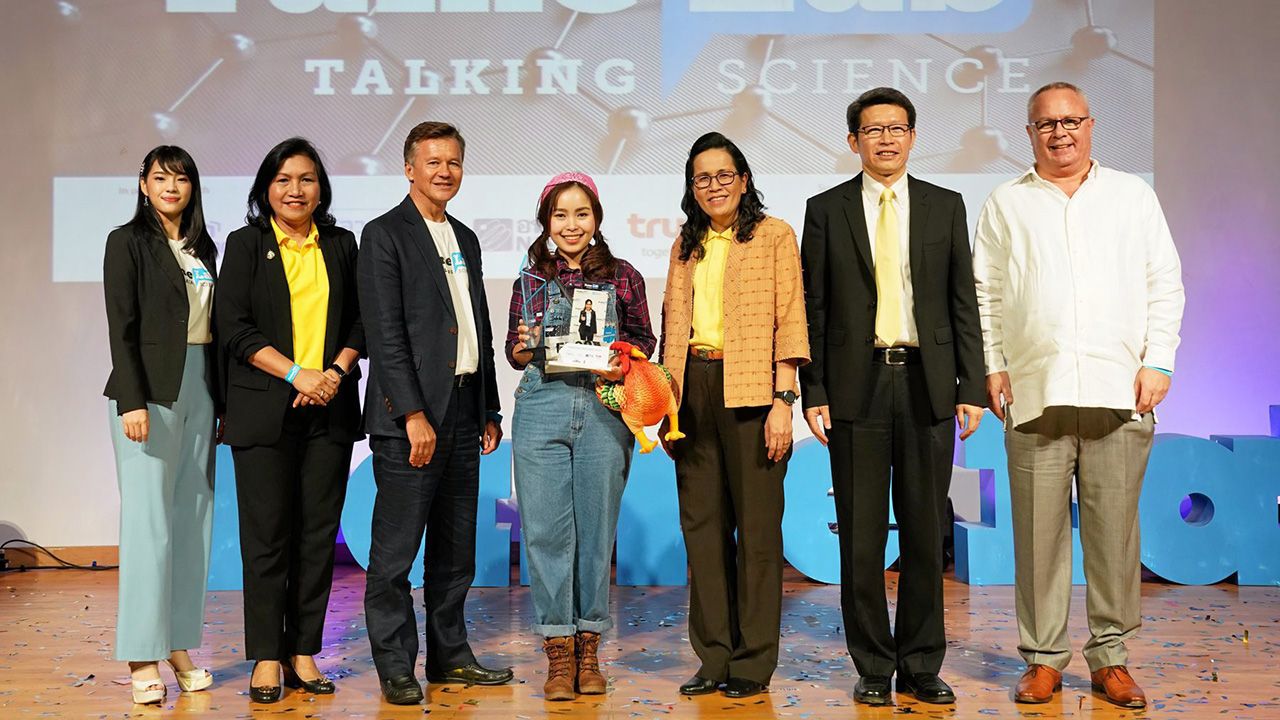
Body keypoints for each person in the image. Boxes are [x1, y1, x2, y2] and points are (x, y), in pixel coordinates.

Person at [972, 82, 1184, 709]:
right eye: (1046, 123)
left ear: (1091, 125)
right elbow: (984, 293)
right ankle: (1042, 659)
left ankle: (1111, 658)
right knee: (1037, 534)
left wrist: (1159, 361)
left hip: (1121, 389)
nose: (1059, 132)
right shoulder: (1006, 202)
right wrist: (993, 364)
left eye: (1070, 121)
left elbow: (1163, 283)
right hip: (1034, 389)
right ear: (1029, 131)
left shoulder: (1131, 195)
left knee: (1114, 532)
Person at [798, 87, 986, 706]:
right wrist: (814, 388)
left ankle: (923, 662)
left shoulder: (944, 205)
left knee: (927, 530)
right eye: (873, 130)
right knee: (860, 533)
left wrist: (972, 386)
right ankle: (874, 664)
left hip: (928, 381)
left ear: (911, 136)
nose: (886, 139)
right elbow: (816, 307)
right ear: (853, 140)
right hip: (857, 385)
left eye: (898, 128)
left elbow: (964, 302)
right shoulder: (825, 209)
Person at [357, 121, 511, 706]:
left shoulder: (465, 236)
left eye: (454, 162)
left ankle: (450, 657)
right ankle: (397, 665)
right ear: (409, 168)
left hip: (464, 411)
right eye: (433, 161)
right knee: (394, 554)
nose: (445, 171)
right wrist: (412, 414)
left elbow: (478, 326)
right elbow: (386, 335)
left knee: (456, 549)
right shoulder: (384, 235)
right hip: (410, 422)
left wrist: (488, 406)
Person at [659, 132, 809, 700]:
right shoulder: (684, 244)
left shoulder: (775, 236)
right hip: (691, 391)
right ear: (691, 188)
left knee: (760, 534)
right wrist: (663, 402)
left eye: (724, 175)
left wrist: (783, 402)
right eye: (702, 178)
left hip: (753, 390)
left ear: (743, 180)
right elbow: (674, 327)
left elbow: (792, 319)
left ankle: (752, 660)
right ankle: (713, 656)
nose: (714, 186)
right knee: (702, 529)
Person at [216, 137, 364, 703]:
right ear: (265, 189)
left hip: (329, 407)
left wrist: (333, 373)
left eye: (305, 179)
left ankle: (303, 651)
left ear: (320, 188)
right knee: (267, 540)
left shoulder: (342, 245)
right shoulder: (246, 244)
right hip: (264, 410)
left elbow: (360, 321)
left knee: (316, 537)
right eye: (283, 179)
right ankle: (266, 658)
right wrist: (296, 374)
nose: (295, 189)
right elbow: (234, 328)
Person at [506, 172, 656, 701]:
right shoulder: (528, 279)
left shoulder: (624, 276)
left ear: (597, 220)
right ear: (547, 221)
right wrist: (525, 344)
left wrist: (622, 359)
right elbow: (516, 352)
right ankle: (557, 653)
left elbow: (643, 340)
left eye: (581, 214)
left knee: (595, 534)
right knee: (545, 535)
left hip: (602, 408)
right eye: (560, 215)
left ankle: (589, 650)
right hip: (542, 404)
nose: (571, 225)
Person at [103, 145, 219, 705]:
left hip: (200, 388)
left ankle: (178, 644)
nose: (171, 186)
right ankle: (142, 654)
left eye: (181, 178)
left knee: (192, 523)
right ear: (143, 185)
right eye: (160, 177)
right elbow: (120, 327)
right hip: (147, 391)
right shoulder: (127, 242)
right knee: (150, 525)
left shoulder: (203, 247)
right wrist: (132, 399)